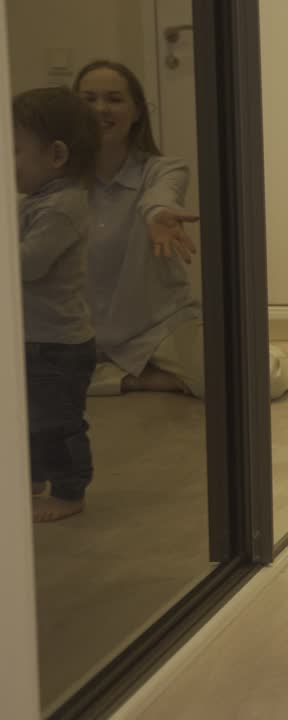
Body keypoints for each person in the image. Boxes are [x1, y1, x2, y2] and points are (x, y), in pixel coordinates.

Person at [73, 60, 288, 400]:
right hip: (85, 336)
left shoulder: (163, 170)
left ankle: (284, 356)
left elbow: (159, 198)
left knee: (255, 383)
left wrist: (158, 215)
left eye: (114, 99)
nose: (100, 109)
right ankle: (146, 379)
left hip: (157, 327)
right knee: (36, 384)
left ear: (137, 111)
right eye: (88, 99)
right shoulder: (58, 186)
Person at [14, 87, 101, 522]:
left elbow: (27, 264)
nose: (9, 162)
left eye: (16, 151)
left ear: (57, 155)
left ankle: (69, 491)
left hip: (58, 346)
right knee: (27, 417)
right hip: (36, 339)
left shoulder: (63, 207)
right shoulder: (39, 201)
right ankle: (30, 477)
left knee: (57, 422)